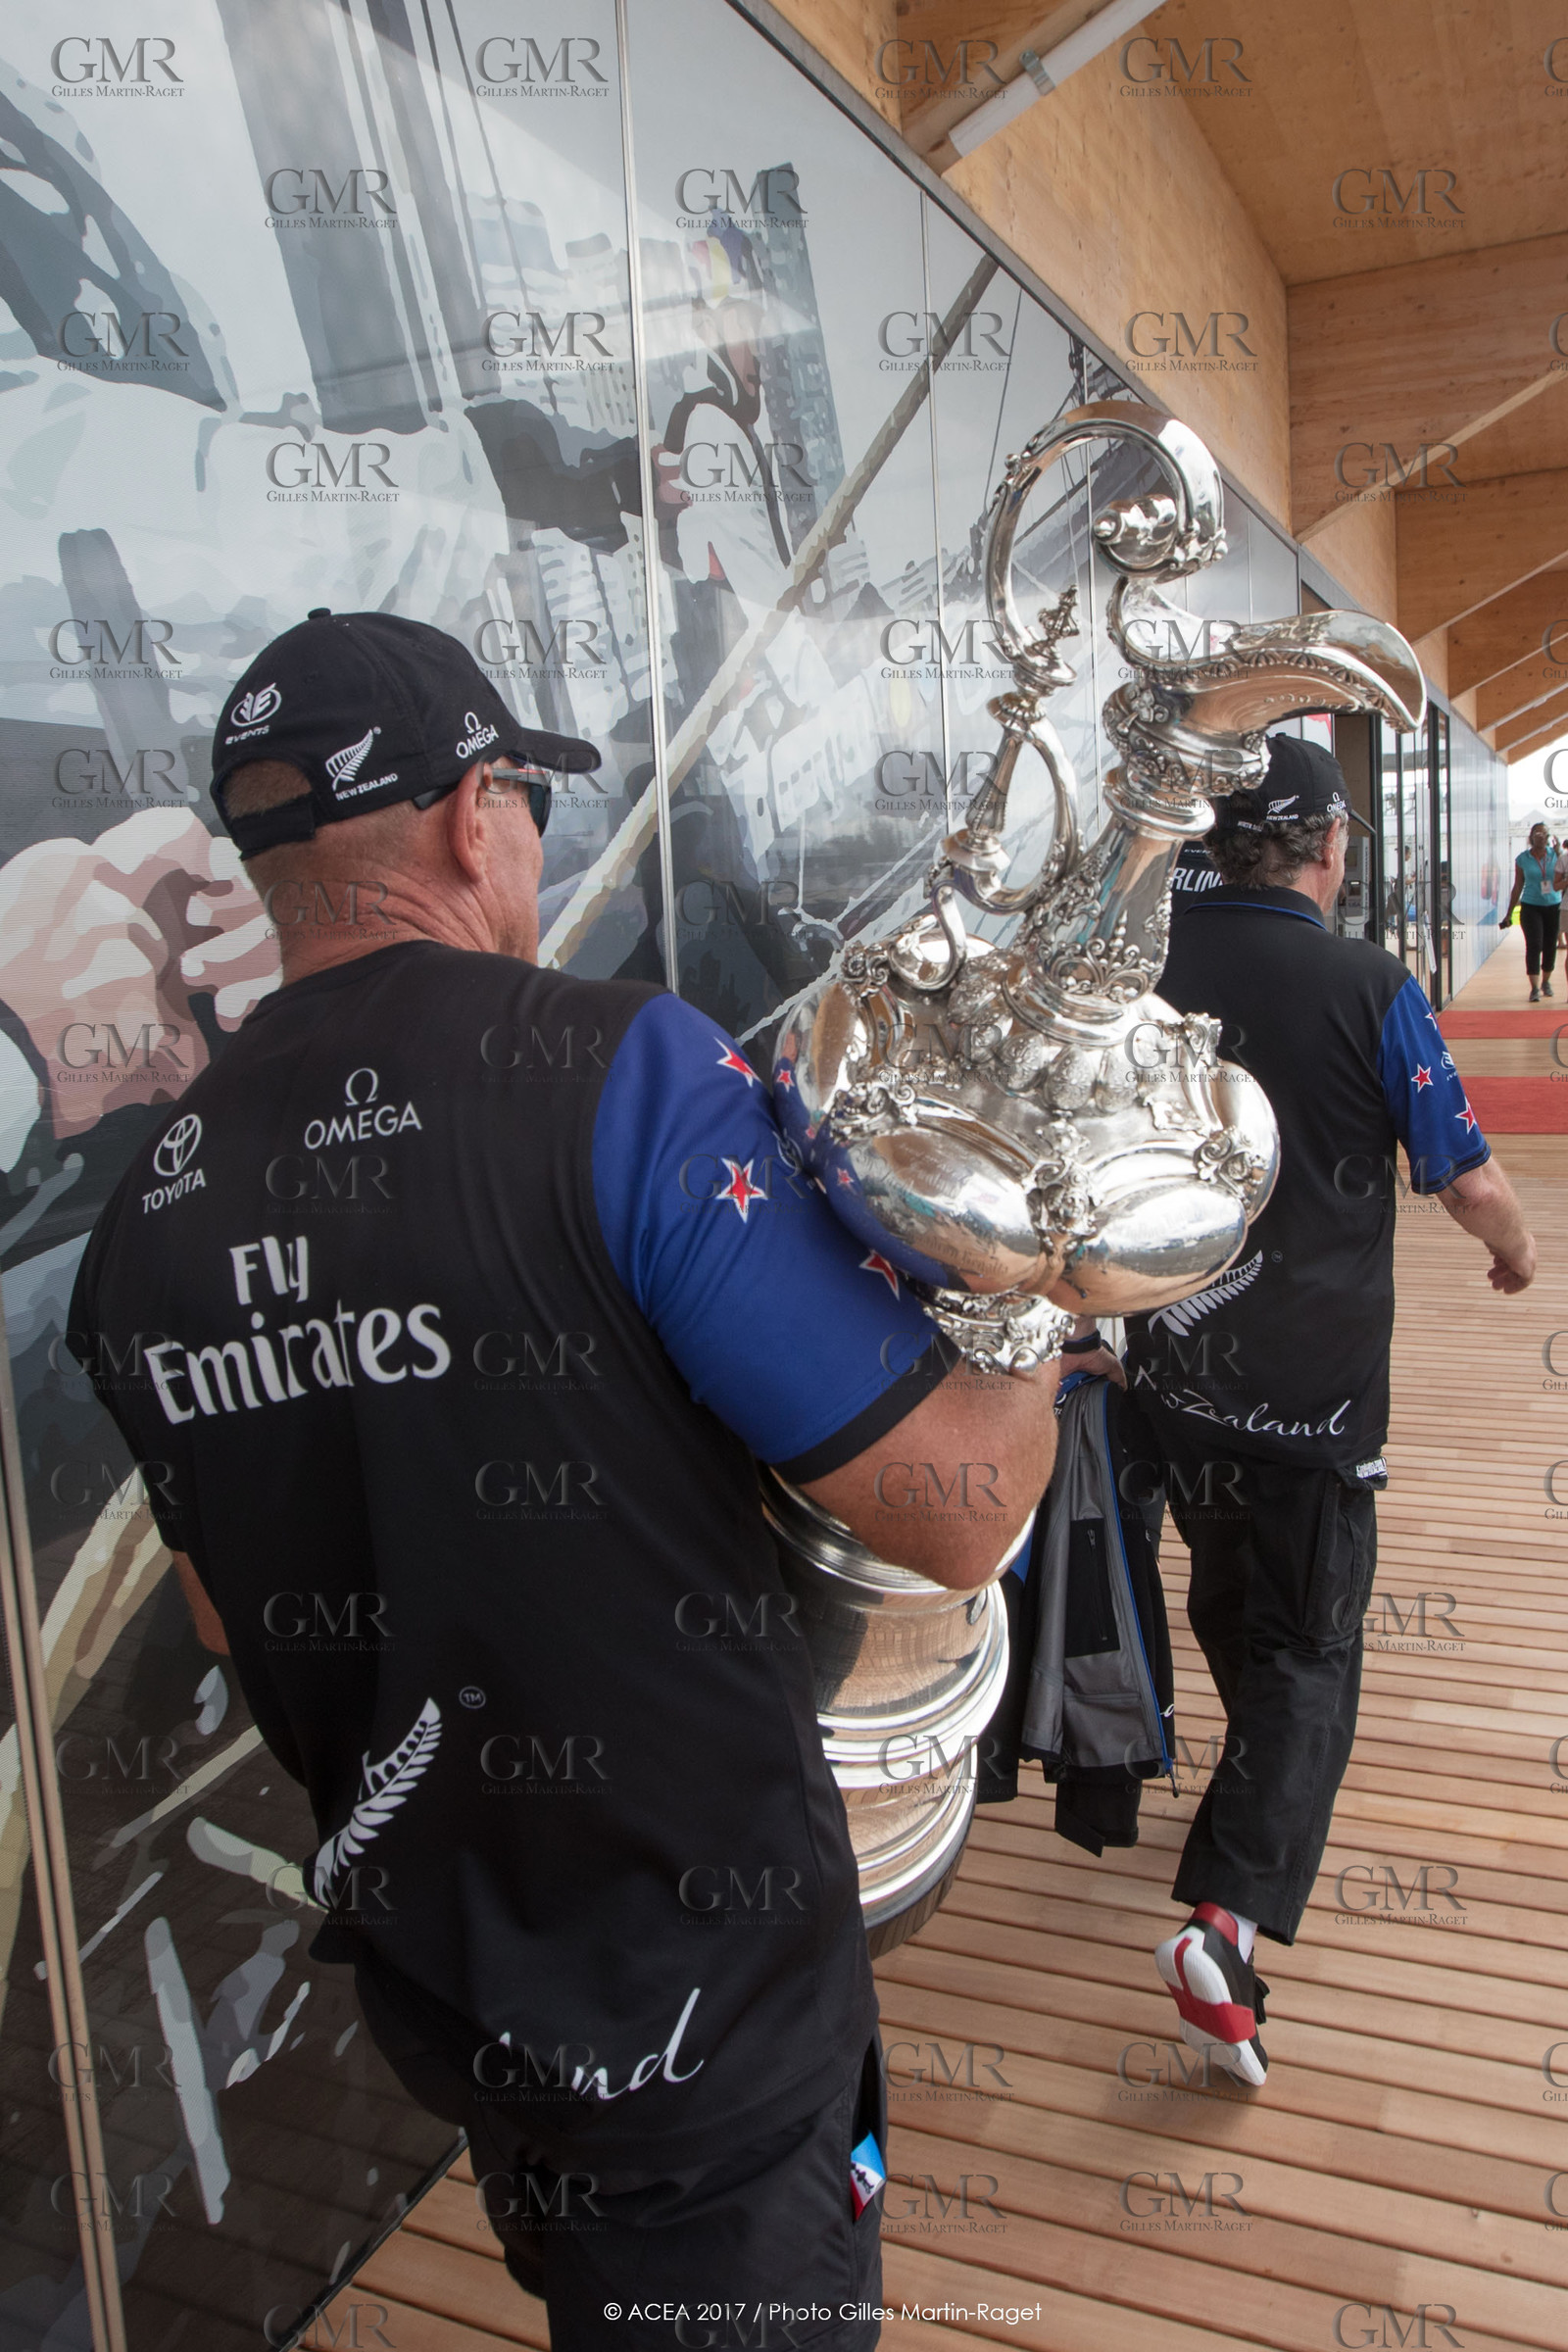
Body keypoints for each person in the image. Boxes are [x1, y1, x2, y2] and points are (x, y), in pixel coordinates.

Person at [67, 610, 1062, 2352]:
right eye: (526, 794)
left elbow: (234, 1611)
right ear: (474, 817)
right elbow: (961, 1514)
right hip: (708, 2006)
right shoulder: (627, 1071)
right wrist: (1029, 1300)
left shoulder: (141, 1221)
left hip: (447, 1981)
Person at [1122, 734, 1537, 2089]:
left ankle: (1259, 1781)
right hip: (1310, 1398)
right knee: (1311, 1649)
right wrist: (1520, 1255)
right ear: (1329, 849)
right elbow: (1462, 1174)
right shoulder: (1370, 985)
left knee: (1232, 1600)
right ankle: (1225, 1925)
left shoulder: (1149, 969)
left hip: (1171, 1374)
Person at [1500, 820, 1566, 1001]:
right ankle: (1534, 987)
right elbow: (1518, 886)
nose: (1540, 836)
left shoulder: (1556, 855)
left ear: (1548, 836)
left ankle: (1546, 981)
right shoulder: (1523, 859)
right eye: (1536, 833)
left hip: (1554, 905)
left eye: (1543, 833)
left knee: (1550, 944)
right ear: (1531, 837)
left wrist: (1559, 851)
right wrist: (1509, 912)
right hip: (1530, 906)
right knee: (1534, 944)